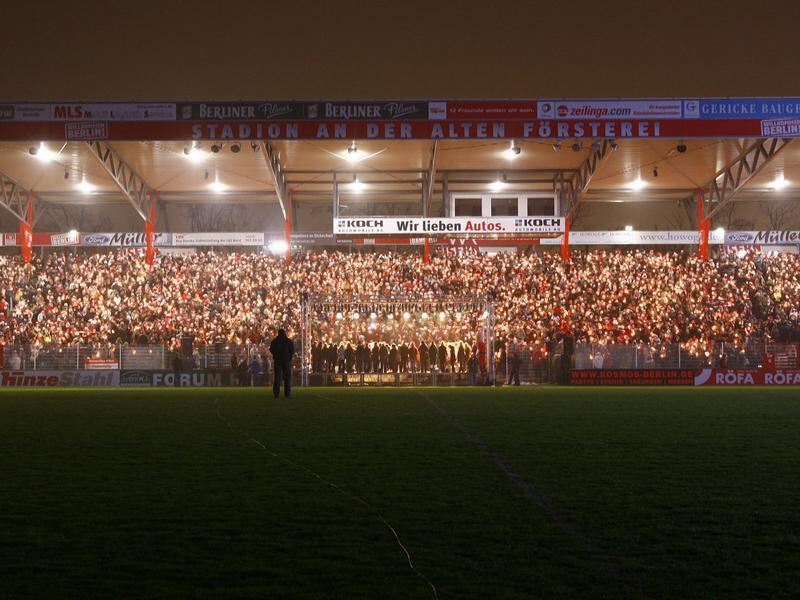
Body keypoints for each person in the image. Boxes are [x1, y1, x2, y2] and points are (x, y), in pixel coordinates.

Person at [269, 328, 295, 398]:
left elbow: (271, 350)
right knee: (287, 377)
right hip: (286, 361)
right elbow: (292, 351)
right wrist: (289, 357)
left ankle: (276, 393)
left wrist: (275, 355)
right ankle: (287, 394)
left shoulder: (274, 341)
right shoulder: (288, 341)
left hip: (277, 361)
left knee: (277, 377)